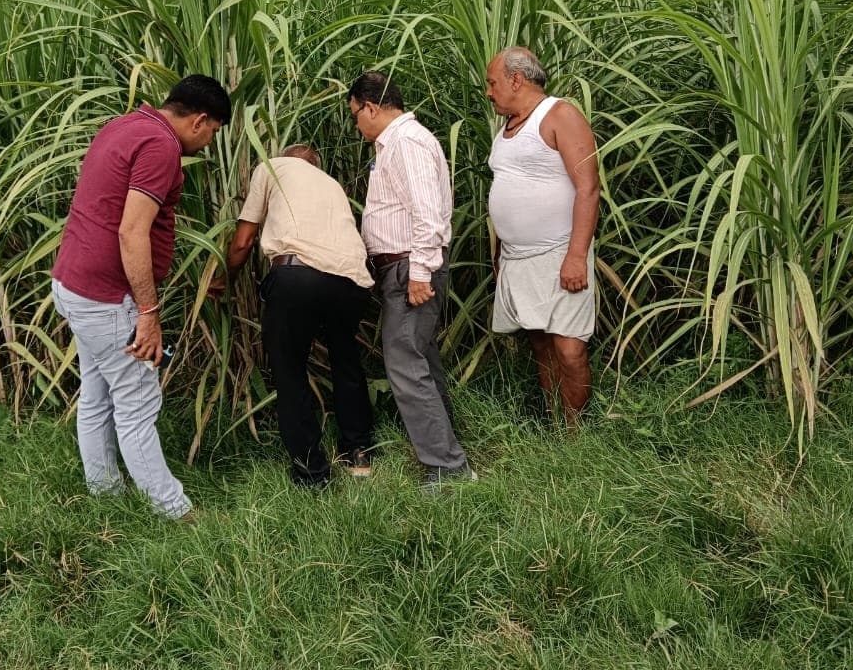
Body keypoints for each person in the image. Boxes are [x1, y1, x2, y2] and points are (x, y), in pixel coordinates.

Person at [51, 75, 232, 519]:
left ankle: (106, 496)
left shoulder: (126, 125)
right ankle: (174, 511)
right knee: (136, 403)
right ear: (200, 120)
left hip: (74, 284)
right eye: (213, 133)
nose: (208, 144)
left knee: (96, 395)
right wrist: (148, 312)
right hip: (107, 298)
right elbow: (132, 231)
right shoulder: (160, 147)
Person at [216, 145, 376, 488]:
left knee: (289, 369)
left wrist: (224, 279)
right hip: (353, 282)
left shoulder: (272, 167)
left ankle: (312, 472)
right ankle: (358, 452)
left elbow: (243, 241)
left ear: (286, 157)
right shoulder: (332, 183)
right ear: (314, 164)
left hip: (297, 276)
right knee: (345, 357)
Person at [347, 71, 475, 488]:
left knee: (404, 362)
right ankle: (446, 447)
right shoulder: (399, 143)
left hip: (409, 267)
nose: (357, 126)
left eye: (355, 115)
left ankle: (448, 468)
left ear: (370, 106)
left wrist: (419, 272)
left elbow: (427, 211)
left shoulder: (406, 141)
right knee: (420, 358)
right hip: (404, 267)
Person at [484, 47, 600, 425]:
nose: (489, 92)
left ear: (517, 79)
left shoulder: (559, 115)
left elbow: (588, 189)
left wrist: (575, 256)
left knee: (568, 347)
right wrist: (502, 256)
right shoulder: (506, 129)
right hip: (519, 258)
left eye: (493, 83)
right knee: (540, 343)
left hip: (560, 252)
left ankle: (574, 433)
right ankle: (555, 422)